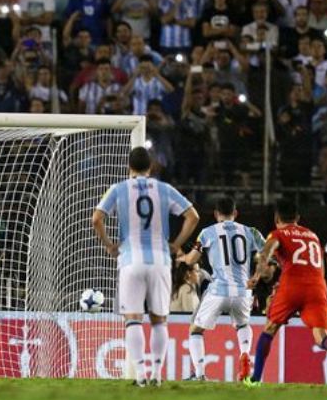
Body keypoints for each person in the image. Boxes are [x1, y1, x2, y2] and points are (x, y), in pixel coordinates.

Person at [92, 147, 200, 386]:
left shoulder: (118, 189)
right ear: (150, 167)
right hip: (160, 260)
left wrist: (110, 245)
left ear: (128, 167)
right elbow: (193, 216)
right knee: (159, 320)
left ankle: (140, 375)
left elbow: (96, 219)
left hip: (130, 260)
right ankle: (157, 375)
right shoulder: (164, 189)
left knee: (133, 319)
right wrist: (177, 244)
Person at [245, 199, 327, 387]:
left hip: (292, 285)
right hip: (317, 287)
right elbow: (320, 268)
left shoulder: (278, 233)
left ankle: (255, 379)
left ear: (276, 218)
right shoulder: (313, 236)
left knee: (270, 329)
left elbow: (267, 252)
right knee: (321, 334)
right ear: (297, 217)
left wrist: (257, 274)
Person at [178, 197, 265, 381]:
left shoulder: (207, 233)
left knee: (195, 330)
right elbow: (268, 253)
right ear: (235, 213)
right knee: (242, 324)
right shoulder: (251, 232)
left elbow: (193, 259)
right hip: (243, 290)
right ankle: (244, 353)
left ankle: (200, 375)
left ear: (216, 214)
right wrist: (256, 276)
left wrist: (183, 259)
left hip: (219, 290)